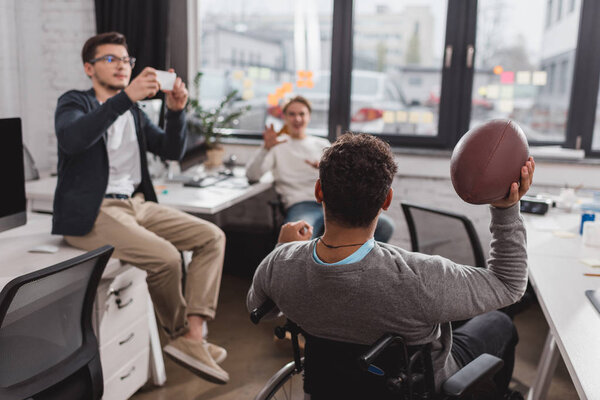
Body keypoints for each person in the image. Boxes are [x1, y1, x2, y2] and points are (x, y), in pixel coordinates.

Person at [247, 133, 535, 397]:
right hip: (418, 385)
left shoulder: (280, 264)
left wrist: (283, 248)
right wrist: (506, 209)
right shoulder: (420, 277)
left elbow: (260, 309)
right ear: (387, 200)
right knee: (498, 323)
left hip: (329, 386)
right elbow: (508, 285)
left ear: (319, 192)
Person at [53, 32, 228, 384]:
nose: (122, 65)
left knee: (212, 237)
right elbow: (74, 139)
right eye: (111, 59)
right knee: (165, 257)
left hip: (136, 204)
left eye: (126, 60)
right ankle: (182, 337)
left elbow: (171, 150)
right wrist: (126, 97)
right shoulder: (75, 102)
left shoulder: (131, 110)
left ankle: (194, 335)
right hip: (95, 212)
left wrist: (175, 112)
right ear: (89, 68)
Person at [246, 96, 395, 242]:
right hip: (301, 204)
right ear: (284, 117)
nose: (297, 119)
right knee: (294, 240)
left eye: (301, 114)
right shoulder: (276, 146)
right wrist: (265, 148)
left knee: (385, 226)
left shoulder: (321, 144)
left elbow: (346, 176)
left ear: (308, 117)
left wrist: (325, 168)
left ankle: (348, 263)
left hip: (334, 203)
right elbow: (252, 176)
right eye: (292, 114)